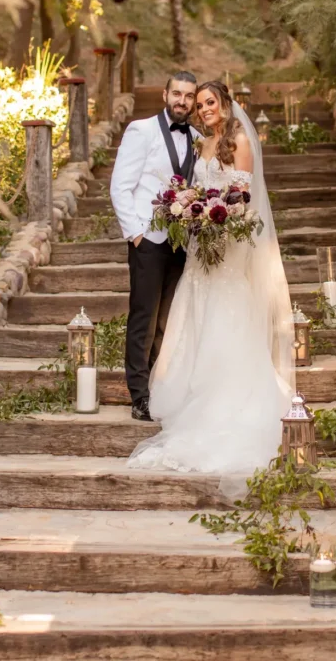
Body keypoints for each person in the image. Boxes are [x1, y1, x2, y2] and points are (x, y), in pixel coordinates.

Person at [127, 80, 294, 480]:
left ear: (224, 103)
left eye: (209, 102)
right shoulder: (203, 144)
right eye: (199, 104)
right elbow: (197, 191)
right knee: (195, 310)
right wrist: (190, 210)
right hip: (201, 246)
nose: (203, 109)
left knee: (226, 311)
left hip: (229, 247)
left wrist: (215, 216)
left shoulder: (238, 140)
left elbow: (244, 198)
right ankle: (192, 392)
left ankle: (228, 398)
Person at [110, 71, 200, 422]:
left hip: (182, 242)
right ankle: (138, 395)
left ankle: (158, 387)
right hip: (148, 239)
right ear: (165, 94)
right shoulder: (141, 130)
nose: (182, 101)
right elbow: (121, 186)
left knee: (168, 321)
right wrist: (135, 234)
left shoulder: (195, 137)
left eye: (189, 96)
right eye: (177, 93)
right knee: (143, 318)